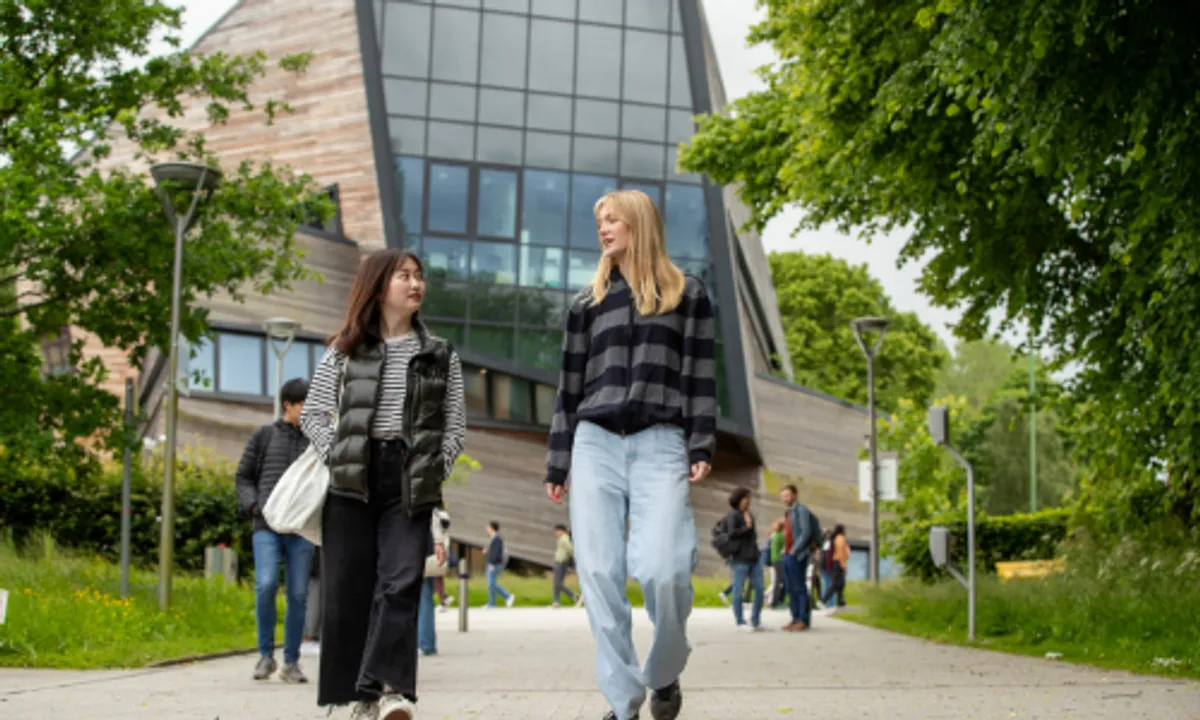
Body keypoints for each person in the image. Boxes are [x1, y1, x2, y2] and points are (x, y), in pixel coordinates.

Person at [544, 189, 716, 720]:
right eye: (600, 220)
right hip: (594, 443)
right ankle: (624, 703)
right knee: (597, 574)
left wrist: (700, 440)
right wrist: (559, 460)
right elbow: (568, 388)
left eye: (613, 218)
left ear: (638, 223)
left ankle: (664, 675)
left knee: (665, 570)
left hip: (661, 440)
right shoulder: (586, 304)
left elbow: (701, 376)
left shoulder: (688, 294)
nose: (604, 228)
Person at [301, 249, 467, 720]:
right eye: (405, 276)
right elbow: (313, 414)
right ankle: (362, 696)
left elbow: (455, 427)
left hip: (408, 477)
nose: (416, 284)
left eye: (420, 276)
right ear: (378, 286)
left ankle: (392, 691)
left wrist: (434, 469)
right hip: (351, 476)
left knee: (400, 583)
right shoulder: (345, 348)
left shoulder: (439, 355)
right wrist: (337, 455)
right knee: (350, 589)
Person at [235, 377, 315, 684]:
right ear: (288, 405)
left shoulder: (314, 442)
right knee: (266, 584)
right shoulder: (264, 436)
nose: (308, 413)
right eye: (304, 406)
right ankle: (265, 656)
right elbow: (243, 477)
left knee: (298, 594)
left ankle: (291, 662)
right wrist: (254, 507)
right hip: (266, 525)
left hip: (301, 529)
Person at [724, 488, 765, 631]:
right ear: (738, 499)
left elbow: (752, 537)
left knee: (760, 589)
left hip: (754, 557)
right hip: (740, 559)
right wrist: (746, 527)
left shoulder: (750, 515)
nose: (747, 501)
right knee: (738, 590)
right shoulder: (732, 516)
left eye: (748, 498)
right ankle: (740, 621)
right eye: (745, 498)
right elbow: (731, 534)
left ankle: (755, 620)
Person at [780, 484, 816, 632]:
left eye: (787, 495)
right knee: (790, 588)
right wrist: (785, 549)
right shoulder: (789, 512)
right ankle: (795, 618)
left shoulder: (801, 510)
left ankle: (803, 619)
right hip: (788, 554)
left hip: (798, 554)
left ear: (795, 495)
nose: (784, 499)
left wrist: (794, 550)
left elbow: (805, 532)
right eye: (783, 496)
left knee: (799, 587)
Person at [418, 508, 451, 656]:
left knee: (422, 598)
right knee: (426, 598)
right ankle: (427, 643)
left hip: (418, 547)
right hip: (427, 549)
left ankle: (424, 643)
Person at [485, 521, 515, 608]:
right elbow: (494, 552)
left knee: (491, 584)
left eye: (488, 527)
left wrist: (492, 564)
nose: (487, 529)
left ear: (491, 528)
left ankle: (508, 596)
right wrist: (487, 551)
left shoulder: (497, 539)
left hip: (494, 564)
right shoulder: (494, 538)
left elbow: (496, 553)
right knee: (491, 584)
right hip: (493, 563)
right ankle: (492, 603)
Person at [821, 524, 850, 610]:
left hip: (831, 564)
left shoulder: (833, 540)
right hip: (834, 564)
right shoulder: (840, 539)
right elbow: (841, 553)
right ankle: (824, 601)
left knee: (840, 583)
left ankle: (840, 601)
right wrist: (844, 566)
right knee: (832, 584)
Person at [551, 524, 580, 608]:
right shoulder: (562, 538)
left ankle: (574, 596)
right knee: (557, 583)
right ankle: (556, 602)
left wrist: (575, 557)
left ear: (561, 530)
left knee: (558, 583)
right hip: (559, 562)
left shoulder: (564, 538)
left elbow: (570, 549)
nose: (555, 533)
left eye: (556, 531)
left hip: (561, 562)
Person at [766, 519, 786, 609]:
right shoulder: (782, 535)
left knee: (778, 581)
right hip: (779, 560)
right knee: (780, 581)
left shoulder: (775, 535)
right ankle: (776, 601)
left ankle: (774, 600)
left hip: (774, 559)